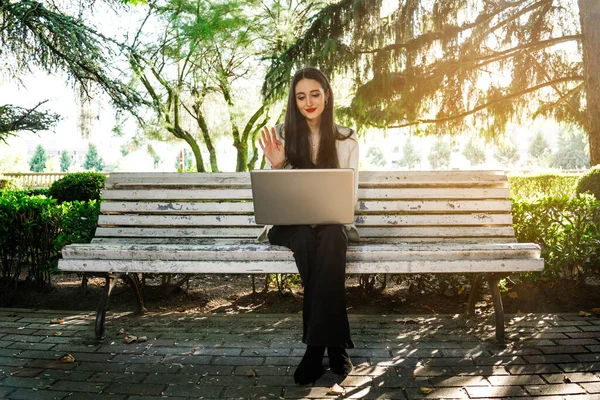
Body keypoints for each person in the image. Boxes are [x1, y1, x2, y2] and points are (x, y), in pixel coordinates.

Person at [257, 67, 359, 385]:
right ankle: (336, 346)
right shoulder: (281, 135)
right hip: (291, 224)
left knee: (330, 237)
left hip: (330, 223)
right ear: (295, 101)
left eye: (315, 94)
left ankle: (315, 349)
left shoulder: (346, 139)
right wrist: (277, 165)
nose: (308, 102)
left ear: (326, 95)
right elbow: (272, 196)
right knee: (303, 235)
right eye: (301, 96)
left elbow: (349, 195)